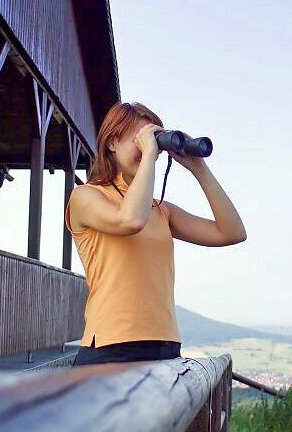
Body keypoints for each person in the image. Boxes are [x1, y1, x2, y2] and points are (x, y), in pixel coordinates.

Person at [65, 102, 247, 366]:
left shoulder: (161, 211)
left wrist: (199, 169)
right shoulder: (86, 196)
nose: (149, 149)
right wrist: (149, 153)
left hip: (165, 344)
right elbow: (130, 220)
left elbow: (232, 232)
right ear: (112, 143)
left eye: (154, 143)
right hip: (111, 346)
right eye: (139, 140)